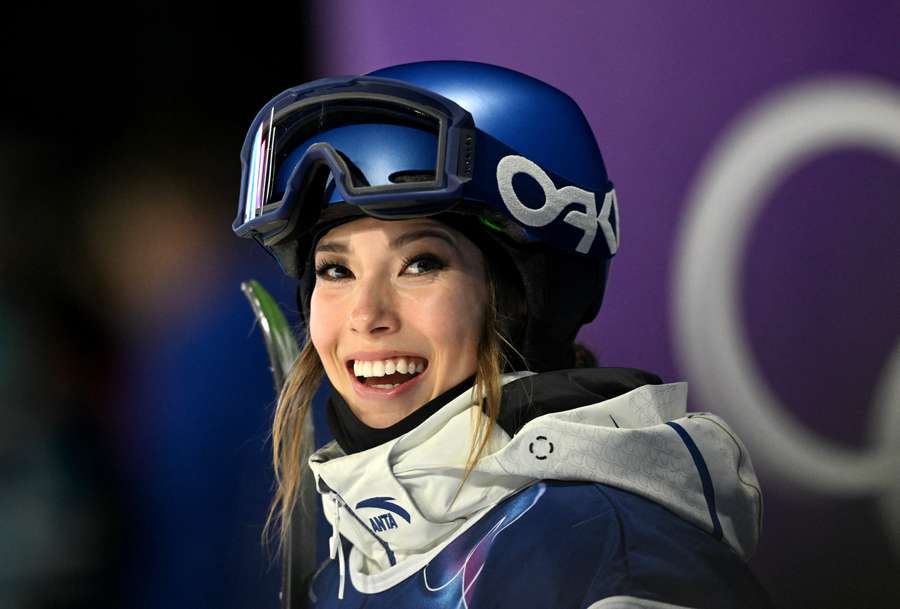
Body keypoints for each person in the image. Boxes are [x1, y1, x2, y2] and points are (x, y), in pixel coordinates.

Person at [233, 60, 773, 609]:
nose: (366, 315)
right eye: (335, 270)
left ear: (520, 298)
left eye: (420, 264)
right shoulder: (349, 572)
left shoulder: (610, 563)